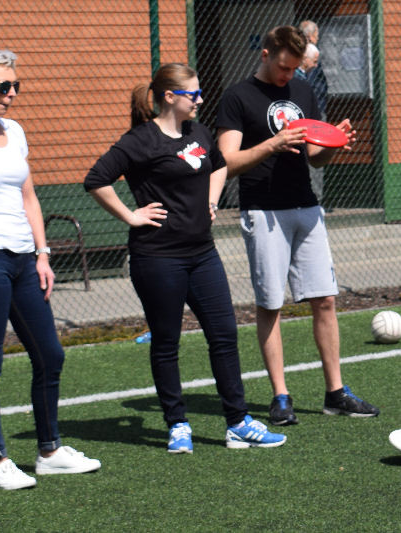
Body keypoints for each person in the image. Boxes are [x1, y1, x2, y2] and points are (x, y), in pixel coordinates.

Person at [84, 63, 286, 453]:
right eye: (193, 94)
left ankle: (238, 422)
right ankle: (177, 423)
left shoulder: (199, 132)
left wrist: (211, 201)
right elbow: (96, 180)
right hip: (157, 258)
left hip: (202, 253)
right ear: (169, 97)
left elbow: (220, 165)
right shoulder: (140, 140)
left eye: (199, 93)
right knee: (166, 342)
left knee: (224, 336)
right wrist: (131, 215)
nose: (200, 100)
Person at [0, 47, 100, 490]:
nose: (11, 95)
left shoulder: (16, 132)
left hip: (24, 260)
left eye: (16, 86)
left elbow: (28, 196)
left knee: (50, 354)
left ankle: (49, 451)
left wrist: (43, 254)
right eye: (3, 86)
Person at [216, 25, 379, 426]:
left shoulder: (303, 92)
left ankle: (335, 393)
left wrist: (334, 145)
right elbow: (227, 162)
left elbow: (313, 157)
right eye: (284, 67)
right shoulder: (238, 97)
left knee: (325, 299)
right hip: (263, 210)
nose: (289, 76)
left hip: (306, 206)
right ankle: (280, 396)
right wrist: (272, 144)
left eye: (295, 68)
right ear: (266, 53)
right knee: (271, 304)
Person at [299, 20, 329, 204]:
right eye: (316, 34)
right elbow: (315, 89)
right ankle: (315, 197)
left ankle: (314, 195)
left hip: (314, 112)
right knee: (314, 152)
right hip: (313, 115)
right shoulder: (307, 58)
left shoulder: (309, 57)